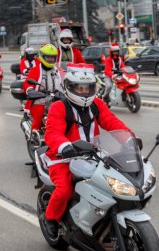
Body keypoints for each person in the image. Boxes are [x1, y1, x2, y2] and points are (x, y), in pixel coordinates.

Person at [41, 64, 130, 237]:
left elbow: (112, 123)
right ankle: (50, 218)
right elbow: (52, 133)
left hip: (94, 155)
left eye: (88, 88)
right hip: (63, 158)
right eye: (79, 88)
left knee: (114, 183)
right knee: (65, 190)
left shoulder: (97, 104)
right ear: (69, 87)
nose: (84, 92)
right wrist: (64, 146)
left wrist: (128, 138)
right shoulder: (58, 107)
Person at [25, 44, 63, 131]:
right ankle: (34, 133)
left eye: (52, 57)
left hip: (55, 99)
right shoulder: (35, 69)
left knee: (65, 117)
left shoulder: (58, 70)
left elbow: (64, 81)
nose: (50, 59)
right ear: (42, 57)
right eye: (48, 57)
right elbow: (28, 82)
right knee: (38, 118)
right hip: (39, 98)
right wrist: (30, 90)